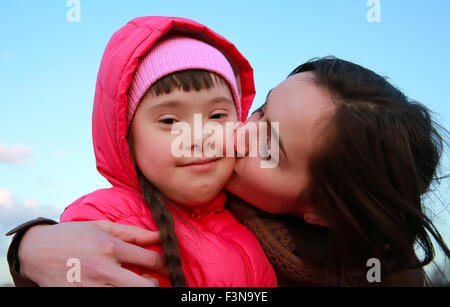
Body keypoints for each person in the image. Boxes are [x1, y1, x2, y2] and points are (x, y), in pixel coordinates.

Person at [6, 39, 449, 287]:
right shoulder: (180, 198)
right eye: (259, 111)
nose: (232, 134)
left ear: (321, 210)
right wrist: (29, 246)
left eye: (270, 147)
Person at [7, 16, 278, 287]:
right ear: (127, 137)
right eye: (169, 121)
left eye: (217, 115)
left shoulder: (257, 222)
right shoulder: (104, 221)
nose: (200, 138)